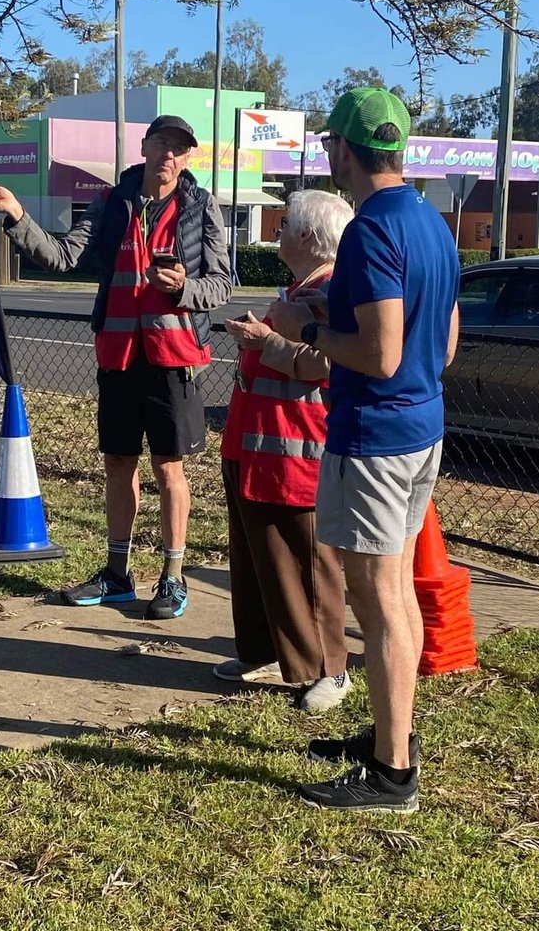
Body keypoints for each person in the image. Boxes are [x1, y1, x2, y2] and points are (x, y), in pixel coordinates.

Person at [268, 88, 460, 813]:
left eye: (328, 145)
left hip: (374, 437)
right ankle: (393, 736)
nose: (326, 156)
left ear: (344, 150)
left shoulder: (372, 231)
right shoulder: (430, 223)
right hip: (421, 427)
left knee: (377, 603)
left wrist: (308, 332)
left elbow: (378, 354)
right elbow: (438, 342)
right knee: (397, 593)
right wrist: (336, 317)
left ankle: (392, 772)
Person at [0, 115, 231, 620]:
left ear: (187, 157)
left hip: (173, 358)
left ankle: (173, 577)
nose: (170, 156)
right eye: (162, 144)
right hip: (118, 356)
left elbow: (221, 284)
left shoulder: (201, 207)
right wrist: (17, 213)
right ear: (145, 146)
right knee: (118, 463)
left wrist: (184, 288)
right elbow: (66, 256)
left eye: (180, 149)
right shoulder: (112, 202)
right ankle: (117, 574)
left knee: (169, 468)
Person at [215, 190, 355, 713]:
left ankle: (329, 670)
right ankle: (261, 649)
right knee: (257, 558)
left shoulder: (334, 289)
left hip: (299, 450)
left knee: (308, 562)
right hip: (256, 445)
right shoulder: (302, 286)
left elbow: (326, 362)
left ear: (306, 236)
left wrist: (261, 342)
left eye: (284, 225)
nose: (276, 233)